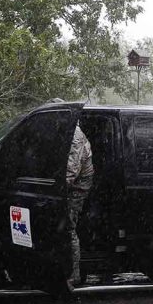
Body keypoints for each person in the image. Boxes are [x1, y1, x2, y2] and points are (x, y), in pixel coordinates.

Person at [64, 121, 95, 290]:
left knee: (68, 227)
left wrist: (53, 191)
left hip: (76, 188)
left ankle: (73, 275)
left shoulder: (74, 135)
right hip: (73, 185)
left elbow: (71, 171)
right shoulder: (68, 132)